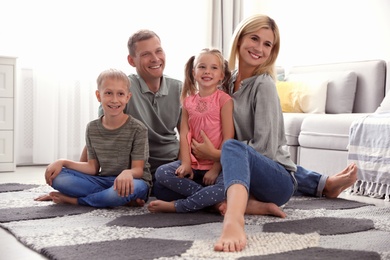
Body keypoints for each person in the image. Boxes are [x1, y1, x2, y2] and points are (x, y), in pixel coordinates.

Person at [200, 14, 358, 252]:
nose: (259, 48)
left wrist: (215, 154)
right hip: (251, 168)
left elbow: (263, 150)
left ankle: (234, 220)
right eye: (254, 38)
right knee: (183, 179)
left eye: (267, 44)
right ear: (239, 39)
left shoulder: (263, 86)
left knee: (233, 148)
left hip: (276, 183)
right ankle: (319, 186)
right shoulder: (225, 81)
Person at [35, 69, 152, 208]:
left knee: (129, 188)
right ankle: (117, 198)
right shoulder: (92, 128)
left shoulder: (138, 129)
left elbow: (138, 170)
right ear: (98, 95)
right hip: (102, 180)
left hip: (135, 181)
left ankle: (76, 200)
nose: (114, 99)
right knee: (58, 178)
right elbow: (93, 168)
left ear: (127, 97)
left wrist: (127, 173)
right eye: (108, 93)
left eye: (120, 94)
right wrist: (63, 162)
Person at [148, 48, 234, 213]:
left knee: (226, 187)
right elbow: (185, 135)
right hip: (194, 166)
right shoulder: (188, 102)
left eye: (214, 68)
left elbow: (228, 138)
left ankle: (178, 206)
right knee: (161, 175)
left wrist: (216, 168)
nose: (207, 71)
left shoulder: (224, 100)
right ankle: (211, 201)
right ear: (194, 72)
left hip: (219, 166)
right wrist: (186, 163)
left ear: (221, 75)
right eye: (202, 67)